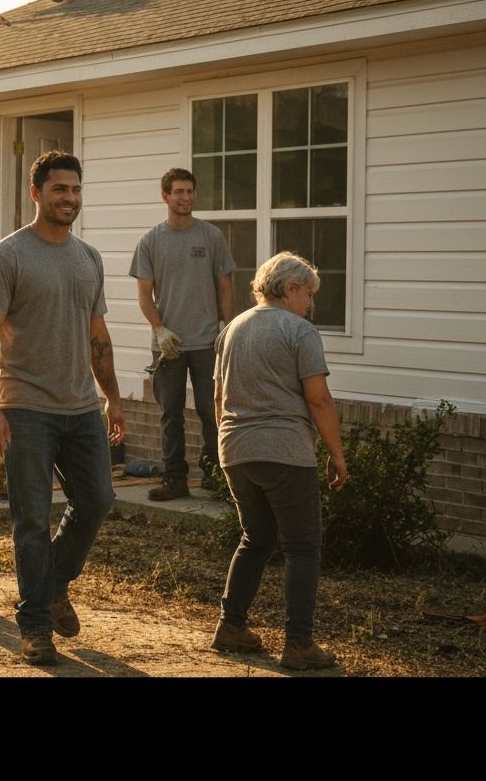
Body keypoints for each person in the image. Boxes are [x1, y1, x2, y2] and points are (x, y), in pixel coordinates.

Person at [0, 150, 125, 666]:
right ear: (36, 194)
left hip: (81, 406)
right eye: (60, 190)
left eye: (76, 190)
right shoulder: (8, 255)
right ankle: (35, 625)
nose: (70, 199)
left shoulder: (89, 257)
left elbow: (97, 334)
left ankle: (55, 582)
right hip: (25, 405)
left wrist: (114, 397)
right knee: (31, 518)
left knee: (98, 499)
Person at [211, 252, 349, 670]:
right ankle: (299, 644)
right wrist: (337, 456)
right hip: (284, 452)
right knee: (303, 547)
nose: (309, 303)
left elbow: (218, 397)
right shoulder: (299, 330)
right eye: (308, 294)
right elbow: (318, 398)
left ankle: (231, 626)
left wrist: (226, 443)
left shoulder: (232, 329)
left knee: (256, 539)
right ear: (291, 289)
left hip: (235, 449)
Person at [130, 168, 235, 500]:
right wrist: (159, 330)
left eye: (190, 191)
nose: (186, 197)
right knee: (169, 413)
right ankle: (174, 479)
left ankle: (216, 476)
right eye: (179, 192)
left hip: (207, 342)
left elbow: (225, 287)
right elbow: (145, 295)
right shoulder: (151, 241)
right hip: (169, 346)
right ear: (165, 196)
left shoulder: (211, 237)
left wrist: (227, 330)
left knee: (211, 410)